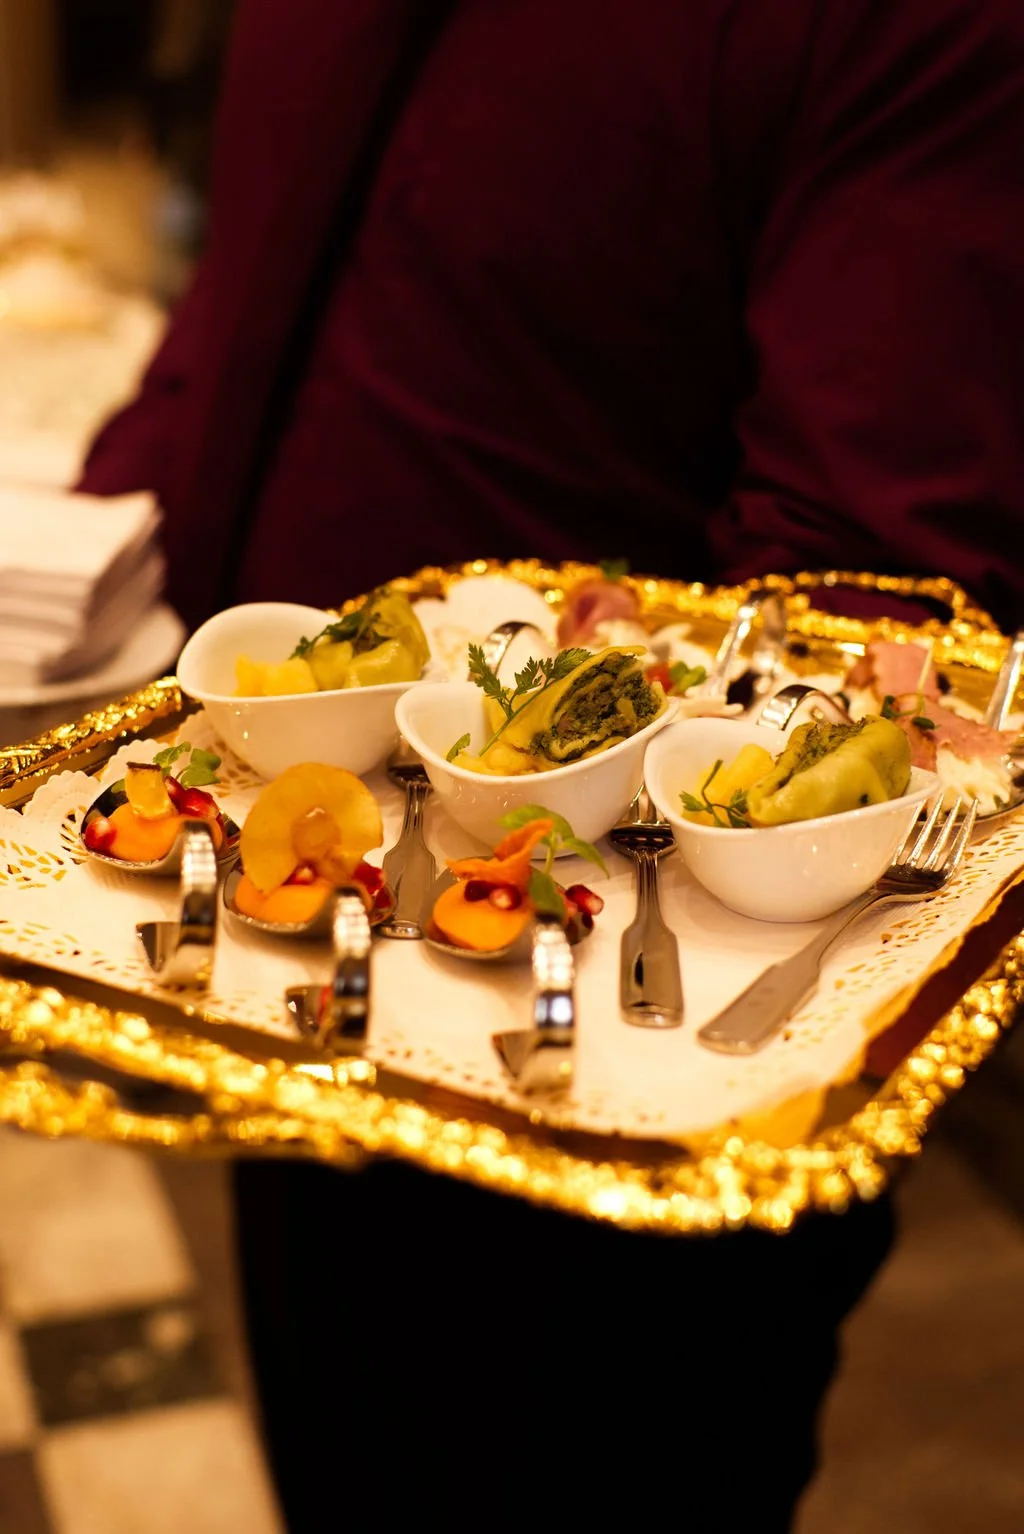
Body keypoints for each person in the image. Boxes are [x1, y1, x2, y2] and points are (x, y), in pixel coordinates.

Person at [75, 2, 1024, 1529]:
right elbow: (253, 299)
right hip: (291, 945)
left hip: (604, 1061)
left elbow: (874, 588)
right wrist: (82, 567)